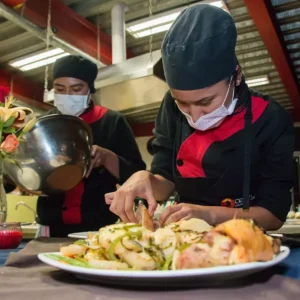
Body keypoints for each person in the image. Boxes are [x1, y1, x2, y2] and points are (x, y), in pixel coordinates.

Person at [105, 4, 294, 231]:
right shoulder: (170, 107)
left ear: (236, 76)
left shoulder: (270, 118)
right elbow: (165, 180)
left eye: (205, 102)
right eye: (182, 102)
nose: (194, 116)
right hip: (186, 237)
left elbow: (273, 215)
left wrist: (208, 214)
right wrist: (145, 179)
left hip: (244, 242)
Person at [36, 55, 146, 237]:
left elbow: (136, 173)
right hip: (51, 226)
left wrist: (107, 158)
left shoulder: (111, 121)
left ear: (90, 89)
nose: (67, 96)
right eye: (60, 89)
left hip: (98, 226)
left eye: (76, 89)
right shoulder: (44, 123)